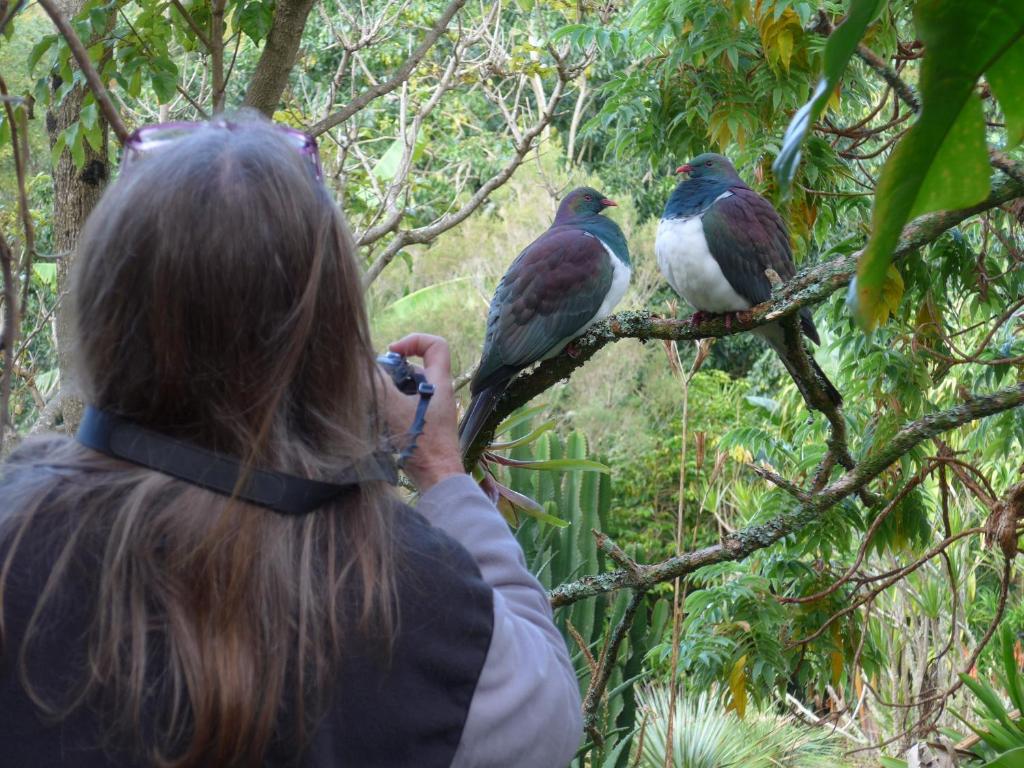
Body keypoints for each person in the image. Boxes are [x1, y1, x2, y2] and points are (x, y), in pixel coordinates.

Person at [0, 116, 582, 767]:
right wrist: (440, 465)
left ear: (104, 313)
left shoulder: (16, 532)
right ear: (335, 343)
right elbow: (549, 718)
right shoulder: (414, 597)